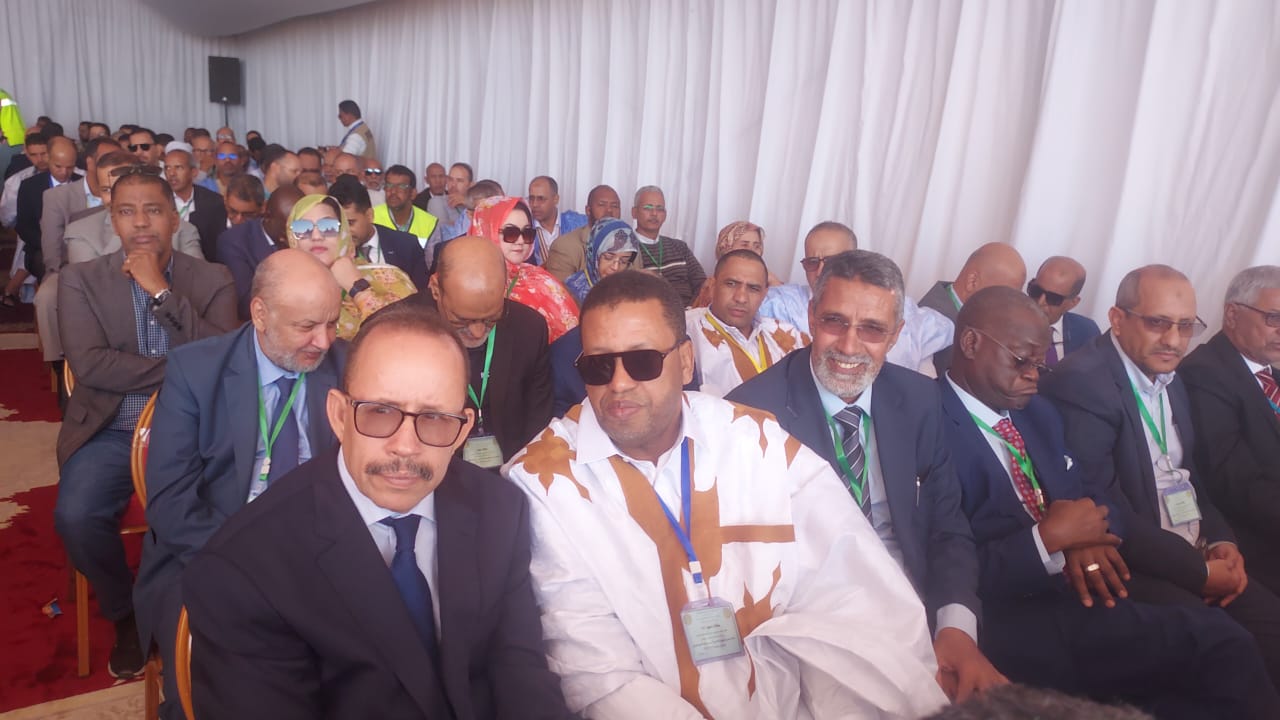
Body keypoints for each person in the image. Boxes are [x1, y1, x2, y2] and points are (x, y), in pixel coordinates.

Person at [503, 270, 947, 718]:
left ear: (685, 362)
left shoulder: (754, 438)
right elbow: (596, 672)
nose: (618, 383)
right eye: (598, 366)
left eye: (642, 362)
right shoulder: (542, 480)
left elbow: (850, 585)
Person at [182, 302, 574, 719]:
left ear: (462, 429)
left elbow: (520, 669)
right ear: (339, 415)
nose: (405, 446)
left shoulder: (500, 510)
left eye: (434, 418)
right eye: (380, 412)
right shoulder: (244, 570)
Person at [941, 285, 1278, 718]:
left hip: (1085, 582)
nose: (1034, 376)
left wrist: (1087, 535)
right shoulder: (931, 423)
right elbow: (946, 557)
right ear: (971, 343)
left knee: (1216, 648)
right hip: (1011, 609)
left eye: (1040, 364)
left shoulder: (1036, 412)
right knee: (1219, 645)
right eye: (1022, 361)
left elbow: (1095, 496)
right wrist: (1048, 540)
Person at [726, 250, 1004, 703]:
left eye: (872, 329)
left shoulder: (919, 399)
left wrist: (956, 630)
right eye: (835, 321)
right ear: (811, 316)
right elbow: (750, 564)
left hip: (918, 610)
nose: (850, 346)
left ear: (896, 334)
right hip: (816, 624)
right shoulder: (751, 414)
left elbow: (948, 526)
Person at [1039, 264, 1280, 685]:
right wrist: (1199, 572)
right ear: (1117, 319)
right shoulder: (1084, 382)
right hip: (1139, 561)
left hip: (1194, 546)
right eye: (1158, 323)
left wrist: (1222, 540)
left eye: (1185, 326)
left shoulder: (1170, 376)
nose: (1174, 339)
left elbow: (1190, 475)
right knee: (1228, 649)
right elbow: (1103, 507)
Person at [136, 249, 345, 720]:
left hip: (321, 554)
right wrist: (250, 568)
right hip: (213, 552)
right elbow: (171, 504)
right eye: (306, 326)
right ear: (260, 314)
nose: (323, 341)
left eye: (332, 323)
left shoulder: (345, 365)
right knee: (210, 692)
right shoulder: (196, 371)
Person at [55, 168, 237, 679]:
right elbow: (92, 365)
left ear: (175, 219)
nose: (140, 223)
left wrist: (161, 294)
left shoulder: (213, 278)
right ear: (112, 220)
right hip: (112, 429)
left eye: (153, 211)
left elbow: (224, 362)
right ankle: (127, 615)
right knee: (75, 517)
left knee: (226, 514)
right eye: (127, 212)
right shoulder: (80, 280)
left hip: (197, 435)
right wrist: (186, 365)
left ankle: (209, 613)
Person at [406, 236, 553, 467]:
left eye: (491, 319)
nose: (477, 332)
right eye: (461, 320)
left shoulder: (529, 329)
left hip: (511, 470)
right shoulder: (398, 335)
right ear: (435, 289)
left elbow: (538, 422)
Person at [1180, 266, 1280, 592]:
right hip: (1250, 545)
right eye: (1274, 318)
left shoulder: (1270, 374)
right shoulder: (1204, 374)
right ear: (1233, 314)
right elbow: (1234, 483)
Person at [287, 193, 416, 340]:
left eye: (328, 226)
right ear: (292, 237)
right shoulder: (282, 288)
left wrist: (359, 290)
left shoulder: (389, 278)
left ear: (343, 232)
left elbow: (408, 337)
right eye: (303, 228)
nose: (316, 236)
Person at [686, 250, 808, 397]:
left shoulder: (788, 334)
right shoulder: (685, 330)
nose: (741, 298)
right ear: (712, 285)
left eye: (753, 288)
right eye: (731, 284)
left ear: (764, 294)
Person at [470, 195, 578, 343]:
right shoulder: (464, 281)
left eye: (527, 233)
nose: (520, 241)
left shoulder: (542, 281)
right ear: (486, 231)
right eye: (511, 233)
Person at [919, 242, 1027, 375]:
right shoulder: (929, 331)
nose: (1010, 307)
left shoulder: (975, 320)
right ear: (972, 281)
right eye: (1004, 296)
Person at [219, 184, 302, 322]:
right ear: (268, 216)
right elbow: (246, 303)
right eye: (288, 228)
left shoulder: (309, 235)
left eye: (301, 225)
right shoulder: (235, 242)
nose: (296, 233)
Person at [330, 174, 429, 289]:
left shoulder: (407, 246)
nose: (344, 231)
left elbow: (423, 294)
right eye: (337, 225)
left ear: (369, 215)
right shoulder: (329, 251)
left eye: (350, 223)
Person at [16, 136, 79, 281]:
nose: (64, 172)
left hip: (78, 246)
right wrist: (50, 244)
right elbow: (24, 226)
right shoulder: (30, 186)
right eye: (58, 166)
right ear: (48, 159)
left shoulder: (81, 182)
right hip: (41, 248)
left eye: (70, 167)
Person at [630, 185, 706, 306]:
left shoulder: (680, 247)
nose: (654, 213)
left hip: (690, 310)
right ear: (634, 213)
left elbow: (702, 284)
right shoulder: (627, 250)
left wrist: (693, 308)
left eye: (659, 209)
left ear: (665, 215)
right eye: (648, 208)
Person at [1028, 256, 1101, 366]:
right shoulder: (1008, 323)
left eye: (1053, 298)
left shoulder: (1087, 332)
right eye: (1036, 291)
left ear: (1073, 303)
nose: (1040, 302)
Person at [689, 221, 781, 307]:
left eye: (756, 246)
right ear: (727, 247)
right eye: (744, 245)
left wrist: (773, 281)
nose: (751, 250)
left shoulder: (767, 278)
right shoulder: (713, 286)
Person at [543, 184, 622, 281]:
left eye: (615, 206)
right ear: (588, 210)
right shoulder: (564, 247)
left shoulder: (629, 244)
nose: (609, 210)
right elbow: (561, 289)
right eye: (602, 205)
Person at [165, 147, 227, 261]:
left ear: (193, 172)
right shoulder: (159, 201)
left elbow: (218, 245)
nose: (171, 173)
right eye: (167, 168)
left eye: (178, 167)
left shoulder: (214, 202)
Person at [564, 217, 637, 304]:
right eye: (608, 257)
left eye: (624, 261)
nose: (616, 267)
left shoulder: (633, 290)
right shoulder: (571, 291)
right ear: (594, 254)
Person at [372, 164, 439, 250]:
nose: (393, 191)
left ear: (413, 193)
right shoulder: (371, 217)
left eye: (401, 187)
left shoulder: (430, 223)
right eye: (389, 185)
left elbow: (432, 257)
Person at [527, 175, 587, 265]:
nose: (534, 204)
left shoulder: (577, 223)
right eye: (531, 198)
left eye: (541, 199)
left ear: (556, 199)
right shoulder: (525, 227)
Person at [439, 161, 475, 241]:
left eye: (459, 181)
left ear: (470, 185)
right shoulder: (437, 202)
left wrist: (468, 202)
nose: (453, 185)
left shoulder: (475, 204)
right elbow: (443, 234)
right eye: (450, 179)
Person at [413, 161, 454, 226]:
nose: (438, 181)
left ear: (446, 179)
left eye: (441, 176)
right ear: (426, 180)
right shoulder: (417, 202)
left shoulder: (453, 197)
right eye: (433, 177)